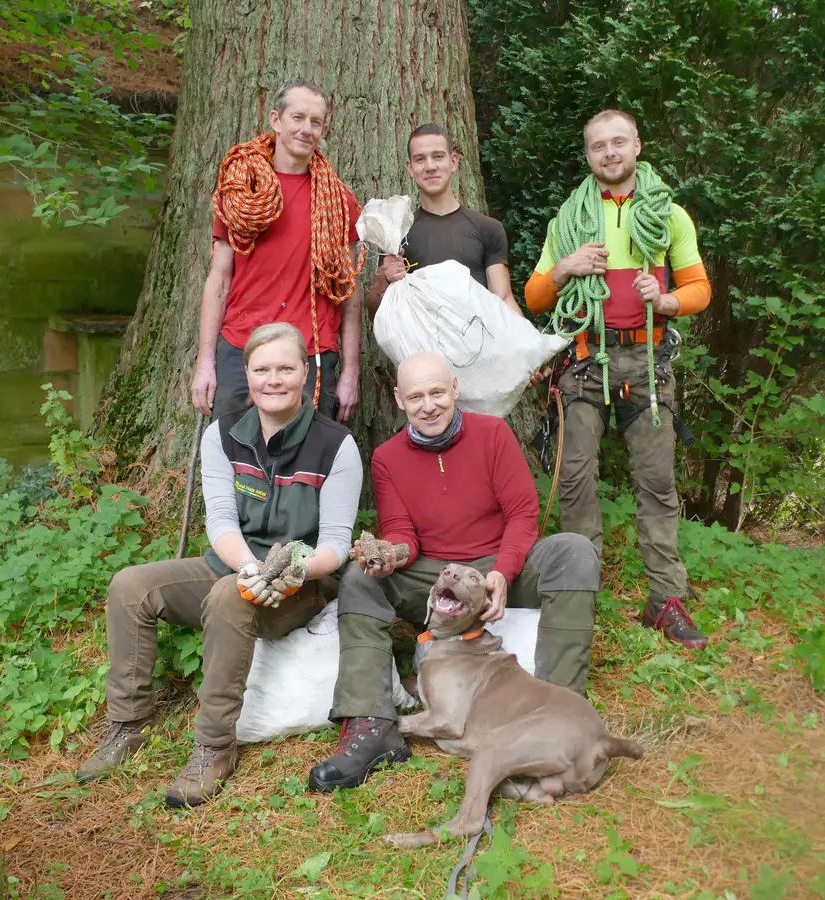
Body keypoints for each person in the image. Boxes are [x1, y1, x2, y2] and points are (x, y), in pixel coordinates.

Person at [78, 323, 362, 808]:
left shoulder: (336, 446)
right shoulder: (222, 436)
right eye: (262, 369)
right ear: (247, 375)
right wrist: (252, 567)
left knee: (232, 595)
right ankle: (128, 724)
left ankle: (213, 746)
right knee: (131, 586)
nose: (274, 379)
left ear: (307, 374)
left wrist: (290, 571)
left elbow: (336, 544)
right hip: (237, 564)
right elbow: (223, 524)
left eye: (286, 368)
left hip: (301, 582)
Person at [307, 352, 601, 792]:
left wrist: (502, 572)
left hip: (497, 563)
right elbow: (404, 534)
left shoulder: (493, 434)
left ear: (455, 389)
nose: (428, 405)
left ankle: (558, 704)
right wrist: (391, 556)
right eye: (416, 396)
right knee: (359, 580)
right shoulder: (388, 458)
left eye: (437, 392)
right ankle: (371, 724)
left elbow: (523, 512)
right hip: (435, 571)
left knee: (574, 551)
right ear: (398, 400)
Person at [523, 109, 713, 651]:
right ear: (588, 155)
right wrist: (565, 268)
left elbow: (700, 287)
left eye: (618, 143)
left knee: (656, 483)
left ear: (637, 146)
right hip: (585, 362)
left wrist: (669, 299)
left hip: (648, 363)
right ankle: (578, 595)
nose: (609, 153)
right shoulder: (569, 220)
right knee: (577, 479)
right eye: (598, 146)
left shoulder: (669, 215)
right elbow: (537, 296)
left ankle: (665, 600)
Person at [192, 79, 365, 424]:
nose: (306, 129)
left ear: (324, 129)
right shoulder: (242, 194)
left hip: (311, 354)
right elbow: (219, 280)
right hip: (242, 349)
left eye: (315, 122)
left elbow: (349, 292)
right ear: (276, 119)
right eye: (297, 117)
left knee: (304, 465)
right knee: (233, 458)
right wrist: (204, 362)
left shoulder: (338, 202)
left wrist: (351, 373)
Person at [366, 124, 517, 315]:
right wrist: (385, 281)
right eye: (420, 159)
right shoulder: (396, 235)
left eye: (438, 156)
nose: (430, 166)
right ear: (410, 168)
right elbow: (374, 312)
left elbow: (503, 300)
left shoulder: (487, 228)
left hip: (478, 343)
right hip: (421, 344)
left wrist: (529, 340)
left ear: (453, 161)